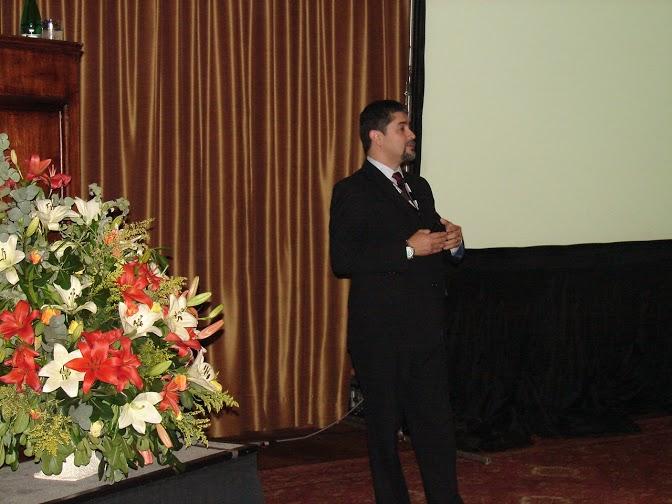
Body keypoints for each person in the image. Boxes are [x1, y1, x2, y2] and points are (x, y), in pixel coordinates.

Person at [329, 99, 464, 504]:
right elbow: (344, 260)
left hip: (425, 328)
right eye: (403, 128)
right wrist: (406, 250)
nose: (411, 135)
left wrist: (454, 244)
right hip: (380, 332)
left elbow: (433, 242)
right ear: (376, 136)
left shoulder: (418, 188)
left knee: (436, 425)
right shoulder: (351, 191)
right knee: (384, 430)